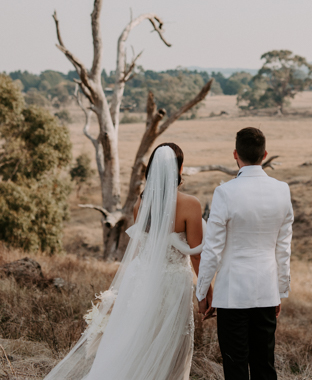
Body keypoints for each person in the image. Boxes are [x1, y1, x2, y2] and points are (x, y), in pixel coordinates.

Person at [44, 142, 206, 380]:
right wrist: (204, 292)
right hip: (172, 284)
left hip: (141, 278)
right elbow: (196, 254)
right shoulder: (190, 205)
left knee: (139, 338)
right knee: (170, 344)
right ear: (179, 170)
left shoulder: (141, 204)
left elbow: (142, 251)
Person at [196, 127, 294, 380]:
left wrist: (202, 292)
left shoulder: (225, 192)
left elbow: (213, 249)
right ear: (265, 154)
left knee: (235, 365)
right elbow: (283, 248)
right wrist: (280, 290)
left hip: (232, 293)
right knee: (264, 364)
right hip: (266, 289)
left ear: (235, 154)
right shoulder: (282, 190)